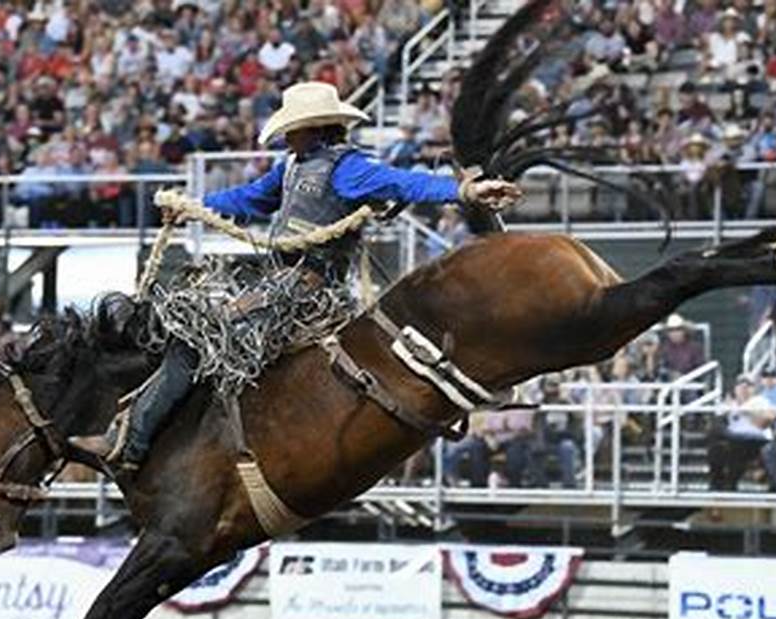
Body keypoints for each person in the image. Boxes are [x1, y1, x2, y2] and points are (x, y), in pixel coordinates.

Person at [105, 82, 522, 479]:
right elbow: (249, 198)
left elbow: (404, 182)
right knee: (188, 327)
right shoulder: (291, 167)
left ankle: (133, 444)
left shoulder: (349, 169)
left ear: (314, 128)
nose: (287, 138)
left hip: (306, 291)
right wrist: (195, 205)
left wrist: (464, 192)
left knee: (199, 339)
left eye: (293, 130)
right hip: (279, 282)